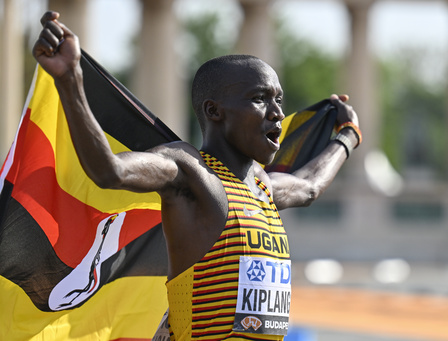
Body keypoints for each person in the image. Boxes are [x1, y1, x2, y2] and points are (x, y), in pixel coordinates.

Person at [33, 11, 361, 340]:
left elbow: (309, 187)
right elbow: (109, 170)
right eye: (259, 99)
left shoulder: (263, 186)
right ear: (214, 111)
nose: (277, 112)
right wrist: (70, 80)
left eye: (278, 99)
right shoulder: (190, 172)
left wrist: (347, 137)